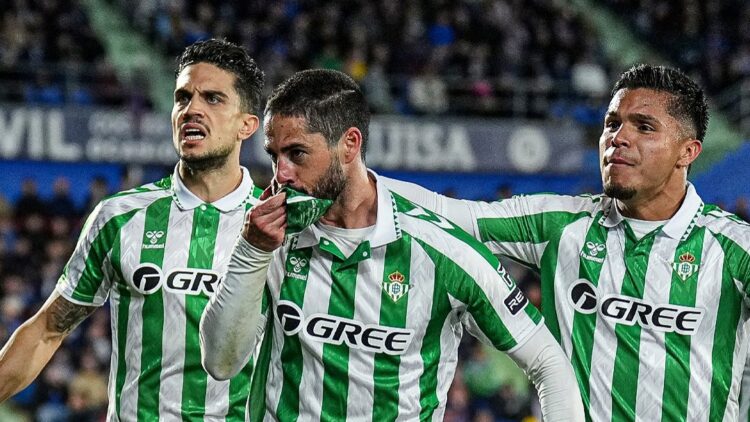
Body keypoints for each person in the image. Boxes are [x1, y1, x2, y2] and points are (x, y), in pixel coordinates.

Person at [199, 68, 585, 421]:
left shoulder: (441, 250)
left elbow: (548, 361)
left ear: (350, 144)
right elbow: (219, 362)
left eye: (296, 153)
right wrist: (252, 251)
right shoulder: (266, 237)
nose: (281, 173)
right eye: (274, 155)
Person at [385, 64, 750, 420]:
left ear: (688, 151)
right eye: (612, 124)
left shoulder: (735, 249)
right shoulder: (561, 225)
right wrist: (357, 179)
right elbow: (445, 212)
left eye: (644, 127)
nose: (619, 137)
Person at [0, 38, 265, 421]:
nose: (191, 110)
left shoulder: (279, 229)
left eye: (213, 98)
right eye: (182, 98)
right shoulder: (120, 217)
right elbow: (47, 331)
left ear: (247, 125)